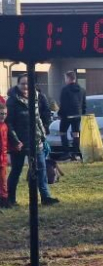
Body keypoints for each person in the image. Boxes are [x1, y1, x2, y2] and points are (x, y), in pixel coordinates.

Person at [6, 74, 59, 206]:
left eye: (28, 84)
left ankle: (45, 197)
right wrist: (16, 140)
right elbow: (9, 123)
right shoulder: (12, 101)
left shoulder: (36, 97)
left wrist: (42, 134)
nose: (25, 86)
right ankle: (10, 199)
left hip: (35, 140)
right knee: (16, 170)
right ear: (18, 84)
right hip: (19, 142)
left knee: (41, 169)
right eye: (23, 83)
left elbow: (37, 118)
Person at [58, 70, 86, 160]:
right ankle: (75, 153)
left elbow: (63, 104)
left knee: (62, 132)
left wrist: (60, 114)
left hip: (67, 115)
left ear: (69, 78)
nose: (65, 80)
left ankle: (66, 152)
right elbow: (84, 104)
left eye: (65, 78)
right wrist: (82, 114)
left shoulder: (65, 90)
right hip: (78, 114)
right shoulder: (82, 90)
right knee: (76, 134)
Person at [0, 102, 9, 208]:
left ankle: (4, 199)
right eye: (1, 114)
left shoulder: (4, 126)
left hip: (3, 158)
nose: (3, 116)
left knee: (3, 180)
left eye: (4, 114)